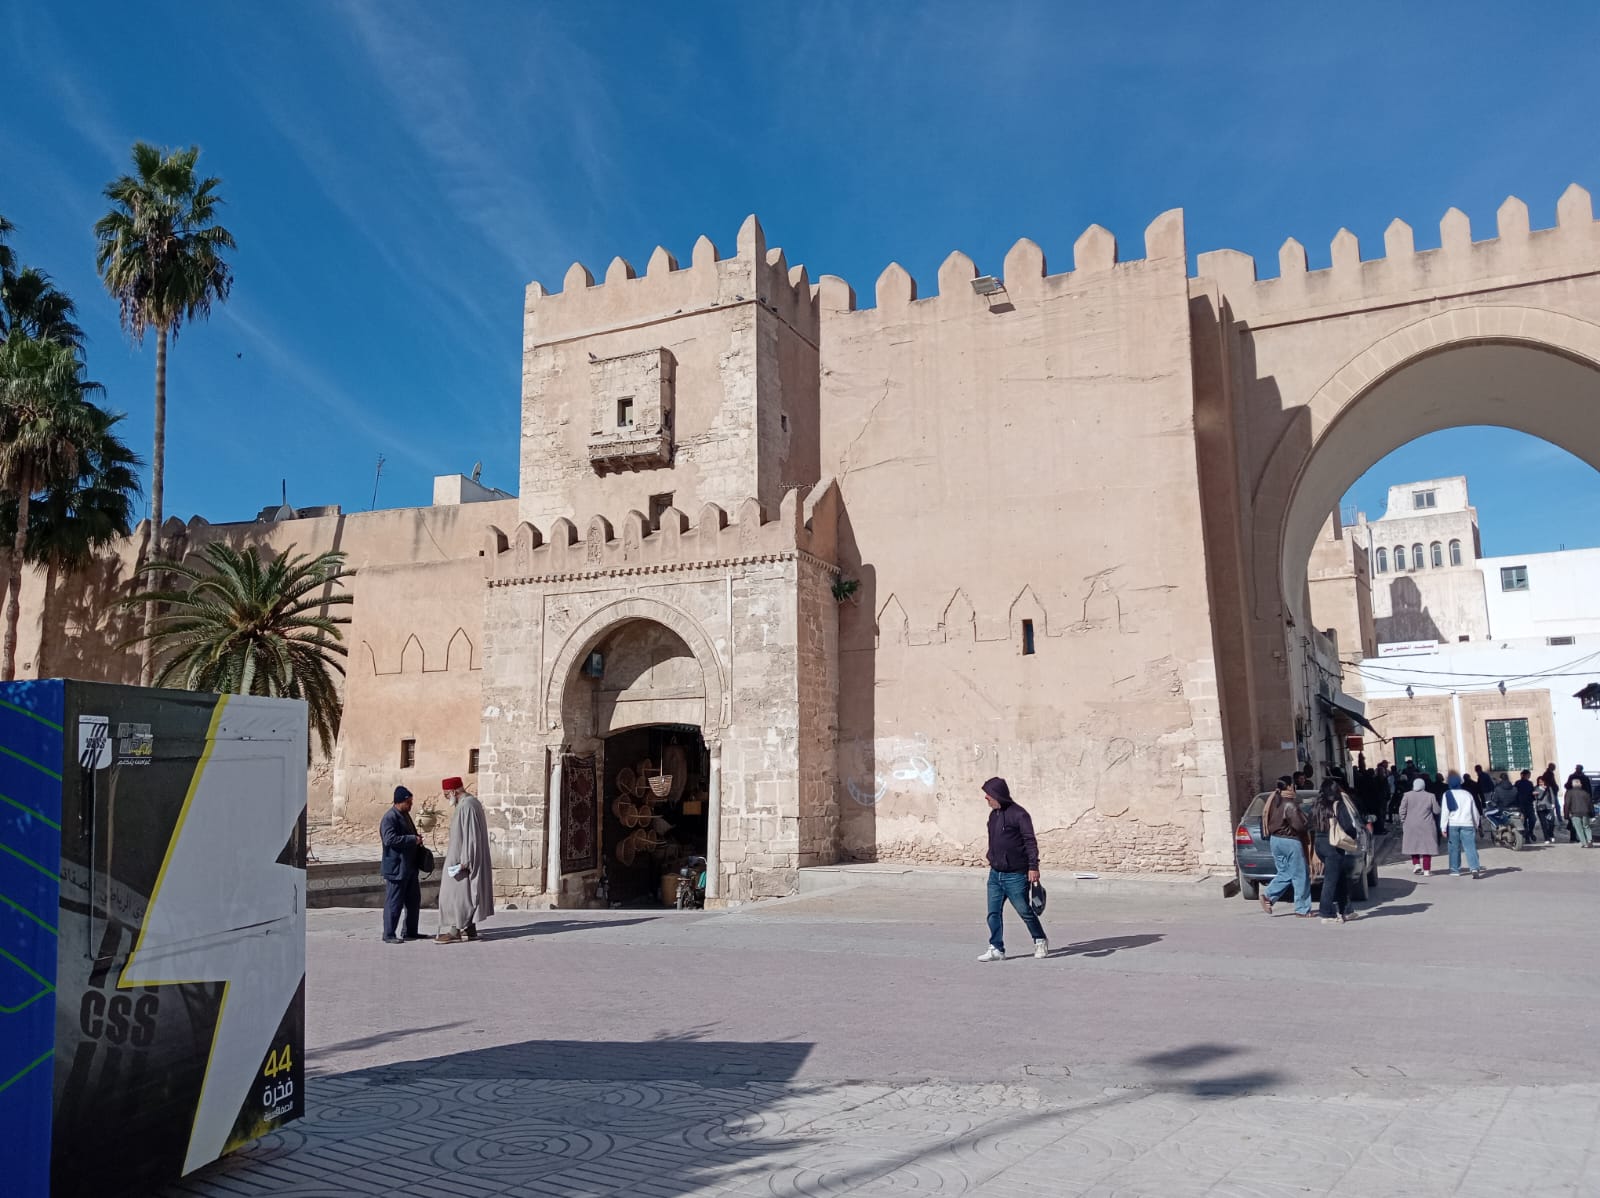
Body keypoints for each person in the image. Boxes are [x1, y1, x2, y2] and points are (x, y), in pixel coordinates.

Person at [976, 777, 1048, 960]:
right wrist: (992, 857)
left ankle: (1039, 939)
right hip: (995, 874)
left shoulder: (1020, 815)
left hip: (1016, 875)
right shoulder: (994, 815)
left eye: (989, 794)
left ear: (998, 795)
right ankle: (996, 948)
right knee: (993, 913)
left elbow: (1030, 841)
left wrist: (1033, 867)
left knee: (1025, 911)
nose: (986, 798)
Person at [436, 776, 495, 944]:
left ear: (453, 791)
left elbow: (471, 836)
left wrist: (465, 861)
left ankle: (455, 930)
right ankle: (470, 929)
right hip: (461, 857)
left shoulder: (467, 806)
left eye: (446, 794)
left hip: (462, 861)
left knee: (456, 894)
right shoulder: (469, 803)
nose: (446, 798)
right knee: (466, 894)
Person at [1259, 776, 1312, 918]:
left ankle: (1268, 895)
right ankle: (1302, 909)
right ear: (1289, 786)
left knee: (1286, 872)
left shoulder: (1273, 801)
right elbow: (1299, 826)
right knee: (1301, 875)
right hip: (1290, 841)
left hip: (1275, 840)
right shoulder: (1290, 804)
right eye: (1293, 785)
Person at [380, 785, 426, 944]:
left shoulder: (405, 815)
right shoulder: (390, 818)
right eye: (408, 802)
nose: (411, 805)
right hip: (397, 869)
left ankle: (410, 931)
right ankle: (389, 934)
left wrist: (417, 838)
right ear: (399, 802)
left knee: (413, 901)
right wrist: (412, 839)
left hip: (409, 867)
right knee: (394, 902)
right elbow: (389, 839)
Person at [1312, 780, 1362, 922]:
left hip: (1319, 843)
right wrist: (1353, 836)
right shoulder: (1338, 805)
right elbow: (1348, 826)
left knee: (1340, 877)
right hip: (1333, 846)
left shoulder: (1317, 805)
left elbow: (1309, 824)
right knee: (1331, 881)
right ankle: (1326, 913)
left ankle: (1346, 910)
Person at [1439, 772, 1482, 878]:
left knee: (1454, 848)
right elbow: (1474, 810)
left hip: (1453, 824)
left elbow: (1445, 812)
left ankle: (1455, 870)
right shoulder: (1467, 794)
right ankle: (1474, 868)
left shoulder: (1447, 794)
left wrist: (1443, 827)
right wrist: (1476, 823)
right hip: (1468, 823)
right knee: (1470, 847)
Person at [1399, 777, 1440, 875]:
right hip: (1427, 824)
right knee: (1427, 847)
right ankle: (1426, 870)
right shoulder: (1430, 796)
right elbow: (1436, 811)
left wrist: (1403, 820)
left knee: (1413, 844)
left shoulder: (1407, 795)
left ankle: (1416, 864)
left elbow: (1402, 810)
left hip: (1410, 824)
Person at [1513, 770, 1542, 843]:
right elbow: (1515, 793)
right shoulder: (1517, 783)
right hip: (1521, 805)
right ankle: (1527, 837)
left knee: (1533, 819)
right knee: (1524, 821)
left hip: (1529, 804)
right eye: (1528, 775)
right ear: (1523, 775)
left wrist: (1534, 796)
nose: (1529, 776)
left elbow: (1532, 792)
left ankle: (1530, 832)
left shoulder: (1530, 783)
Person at [1565, 775, 1594, 848]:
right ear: (1580, 784)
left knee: (1579, 829)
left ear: (1572, 785)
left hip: (1575, 813)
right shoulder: (1585, 793)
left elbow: (1567, 804)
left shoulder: (1569, 793)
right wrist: (1592, 813)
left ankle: (1584, 843)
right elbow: (1590, 804)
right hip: (1585, 812)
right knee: (1586, 826)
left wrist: (1566, 814)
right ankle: (1589, 840)